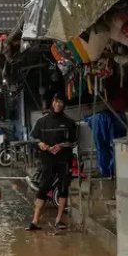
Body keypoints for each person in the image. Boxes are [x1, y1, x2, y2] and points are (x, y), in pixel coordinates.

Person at [28, 93, 77, 232]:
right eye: (56, 101)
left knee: (63, 188)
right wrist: (40, 144)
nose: (58, 104)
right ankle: (35, 221)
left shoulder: (69, 122)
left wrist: (62, 145)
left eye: (60, 102)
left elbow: (74, 141)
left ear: (64, 104)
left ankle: (59, 220)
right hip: (47, 160)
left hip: (64, 160)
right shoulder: (42, 121)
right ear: (52, 102)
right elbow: (32, 138)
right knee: (43, 188)